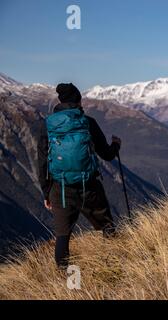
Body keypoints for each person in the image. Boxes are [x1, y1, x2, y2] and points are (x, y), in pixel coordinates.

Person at [37, 83, 122, 269]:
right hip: (89, 186)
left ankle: (64, 280)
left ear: (60, 102)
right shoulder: (87, 122)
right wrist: (116, 145)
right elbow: (106, 154)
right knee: (107, 226)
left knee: (63, 236)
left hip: (59, 189)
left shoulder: (48, 126)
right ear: (78, 99)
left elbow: (42, 162)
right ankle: (116, 265)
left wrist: (46, 192)